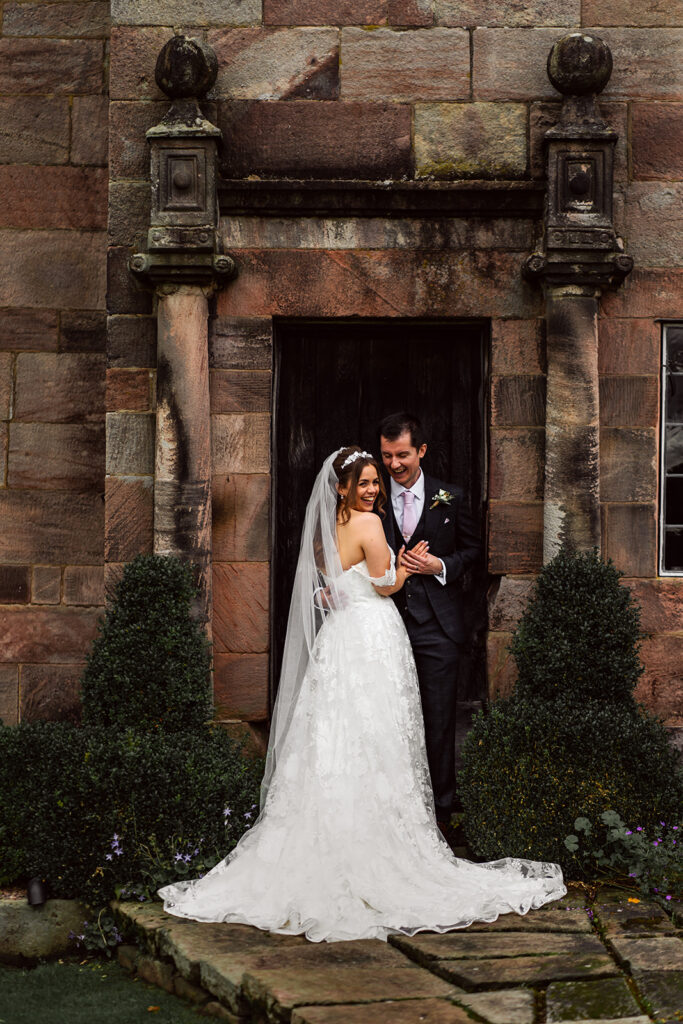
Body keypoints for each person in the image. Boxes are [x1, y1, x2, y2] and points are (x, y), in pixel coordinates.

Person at [159, 446, 565, 942]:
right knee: (373, 733)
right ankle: (376, 848)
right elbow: (385, 585)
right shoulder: (371, 526)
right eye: (366, 483)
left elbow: (326, 581)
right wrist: (411, 568)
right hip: (372, 637)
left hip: (339, 638)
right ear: (344, 487)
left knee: (332, 733)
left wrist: (342, 589)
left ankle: (323, 844)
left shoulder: (324, 524)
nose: (374, 490)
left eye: (376, 482)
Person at [379, 413, 481, 831]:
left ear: (421, 450)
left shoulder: (450, 497)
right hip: (384, 624)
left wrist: (439, 564)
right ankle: (390, 814)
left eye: (402, 454)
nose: (394, 464)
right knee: (384, 719)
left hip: (437, 628)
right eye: (386, 455)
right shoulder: (371, 496)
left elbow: (474, 552)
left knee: (438, 721)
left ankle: (438, 818)